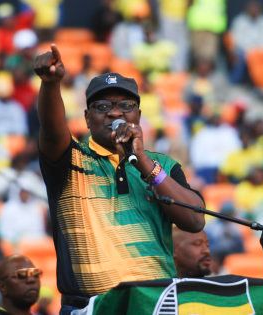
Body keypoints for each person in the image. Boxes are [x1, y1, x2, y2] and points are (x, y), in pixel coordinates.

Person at [33, 45, 205, 313]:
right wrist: (51, 84)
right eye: (103, 106)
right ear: (87, 119)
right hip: (90, 306)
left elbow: (194, 220)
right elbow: (53, 131)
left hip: (155, 304)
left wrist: (145, 164)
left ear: (138, 115)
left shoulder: (164, 166)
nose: (115, 113)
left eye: (126, 105)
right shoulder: (71, 161)